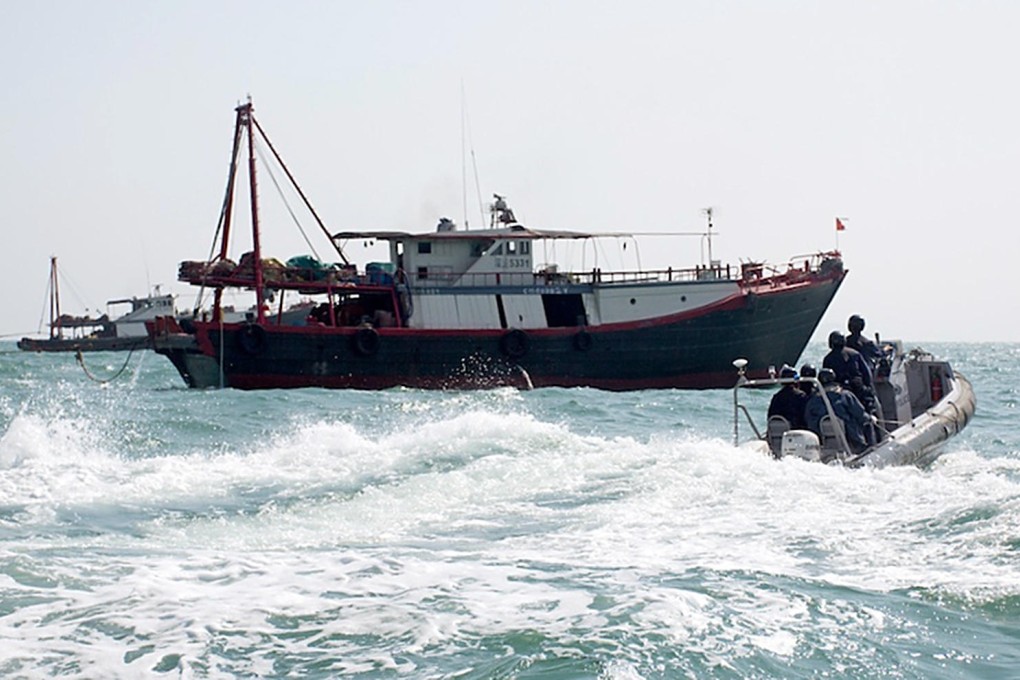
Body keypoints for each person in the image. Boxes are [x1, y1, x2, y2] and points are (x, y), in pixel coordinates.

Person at [804, 368, 874, 453]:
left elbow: (808, 419)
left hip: (823, 444)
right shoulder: (846, 396)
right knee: (868, 424)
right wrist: (870, 419)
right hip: (851, 442)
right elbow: (860, 414)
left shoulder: (812, 401)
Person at [823, 330, 876, 412]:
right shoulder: (855, 354)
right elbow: (866, 373)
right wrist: (869, 387)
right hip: (858, 389)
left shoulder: (828, 358)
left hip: (840, 391)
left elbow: (826, 378)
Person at [768, 365, 809, 430]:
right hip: (797, 432)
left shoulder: (776, 397)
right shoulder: (801, 396)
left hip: (778, 432)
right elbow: (806, 417)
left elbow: (770, 417)